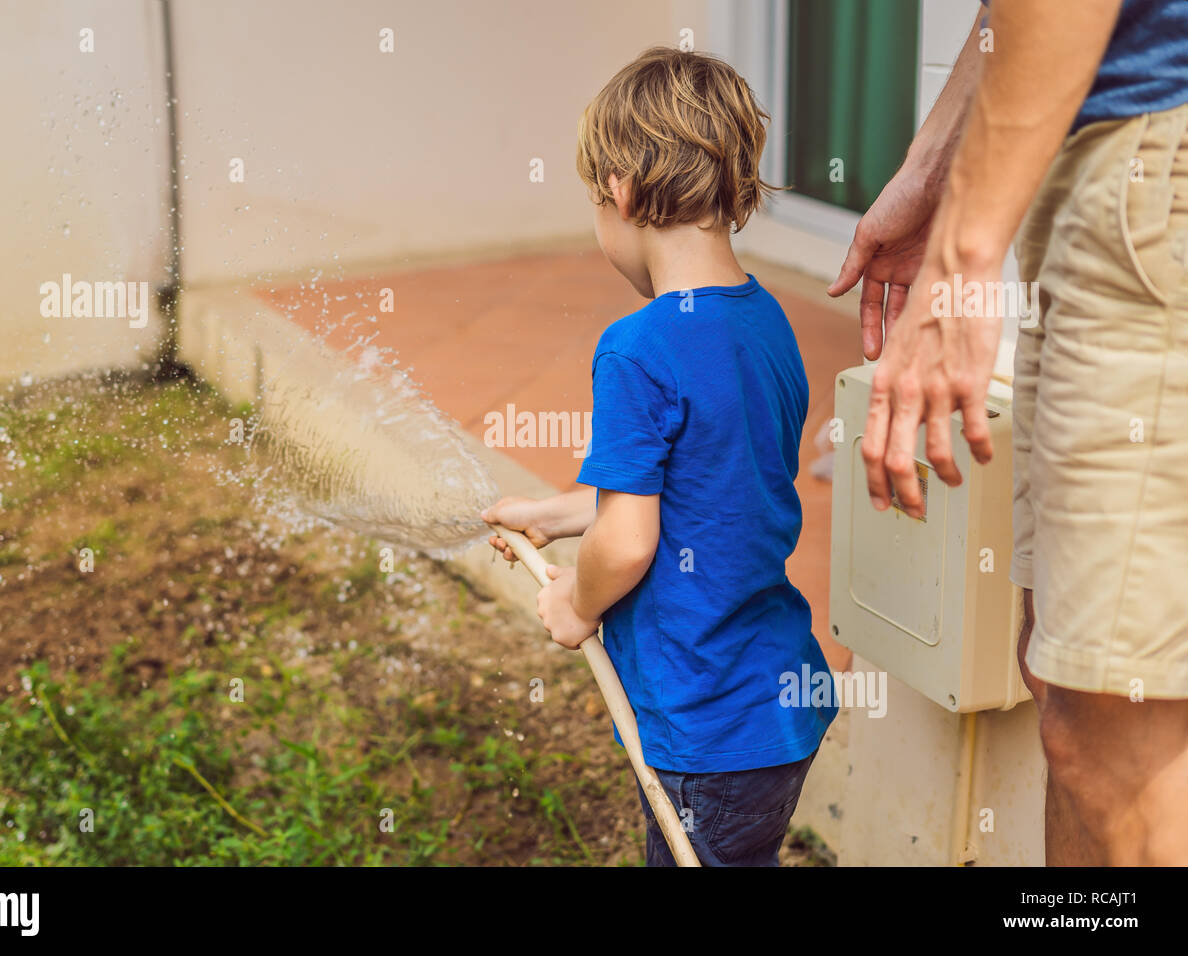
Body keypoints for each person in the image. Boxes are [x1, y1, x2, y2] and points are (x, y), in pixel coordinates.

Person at [829, 0, 1188, 864]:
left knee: (1119, 748)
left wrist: (961, 259)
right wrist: (936, 175)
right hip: (1107, 174)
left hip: (1151, 172)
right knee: (1067, 690)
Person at [482, 47, 837, 867]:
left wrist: (578, 600)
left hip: (704, 721)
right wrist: (551, 515)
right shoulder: (768, 323)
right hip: (778, 698)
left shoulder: (638, 347)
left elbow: (633, 539)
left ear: (621, 193)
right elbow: (703, 486)